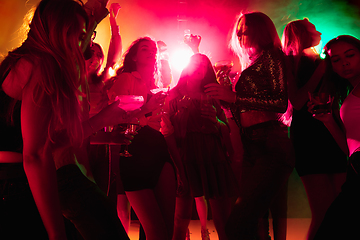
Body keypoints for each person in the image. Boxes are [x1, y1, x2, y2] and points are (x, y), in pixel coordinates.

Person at [0, 0, 143, 239]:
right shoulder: (42, 66)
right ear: (60, 32)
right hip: (18, 186)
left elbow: (42, 142)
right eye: (80, 34)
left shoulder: (18, 61)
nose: (84, 42)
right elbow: (35, 155)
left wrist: (102, 120)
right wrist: (57, 233)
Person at [204, 11, 295, 239]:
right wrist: (227, 106)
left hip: (271, 145)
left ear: (260, 30)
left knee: (240, 221)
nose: (240, 34)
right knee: (254, 224)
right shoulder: (252, 62)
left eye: (246, 29)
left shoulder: (272, 57)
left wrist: (235, 98)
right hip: (252, 146)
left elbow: (279, 103)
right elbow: (247, 112)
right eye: (238, 30)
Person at [281, 19, 348, 240]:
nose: (319, 32)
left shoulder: (326, 63)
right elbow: (298, 102)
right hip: (308, 138)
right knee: (323, 211)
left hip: (332, 132)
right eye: (313, 30)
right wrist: (321, 69)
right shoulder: (290, 63)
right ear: (302, 35)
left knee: (342, 207)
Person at [107, 36, 177, 240]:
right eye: (145, 49)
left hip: (158, 147)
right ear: (134, 57)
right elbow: (115, 117)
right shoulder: (126, 78)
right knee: (156, 230)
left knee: (167, 229)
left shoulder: (156, 84)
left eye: (153, 49)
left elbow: (161, 124)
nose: (151, 51)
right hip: (135, 149)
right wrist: (147, 108)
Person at [165, 53, 238, 240]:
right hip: (185, 155)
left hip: (212, 154)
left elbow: (227, 128)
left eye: (203, 65)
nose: (198, 67)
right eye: (194, 63)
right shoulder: (174, 94)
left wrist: (215, 119)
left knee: (223, 218)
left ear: (207, 70)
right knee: (181, 217)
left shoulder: (214, 94)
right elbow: (165, 130)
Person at [311, 35, 360, 239]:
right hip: (355, 170)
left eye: (350, 55)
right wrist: (329, 121)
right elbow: (350, 148)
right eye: (336, 59)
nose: (344, 62)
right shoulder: (350, 93)